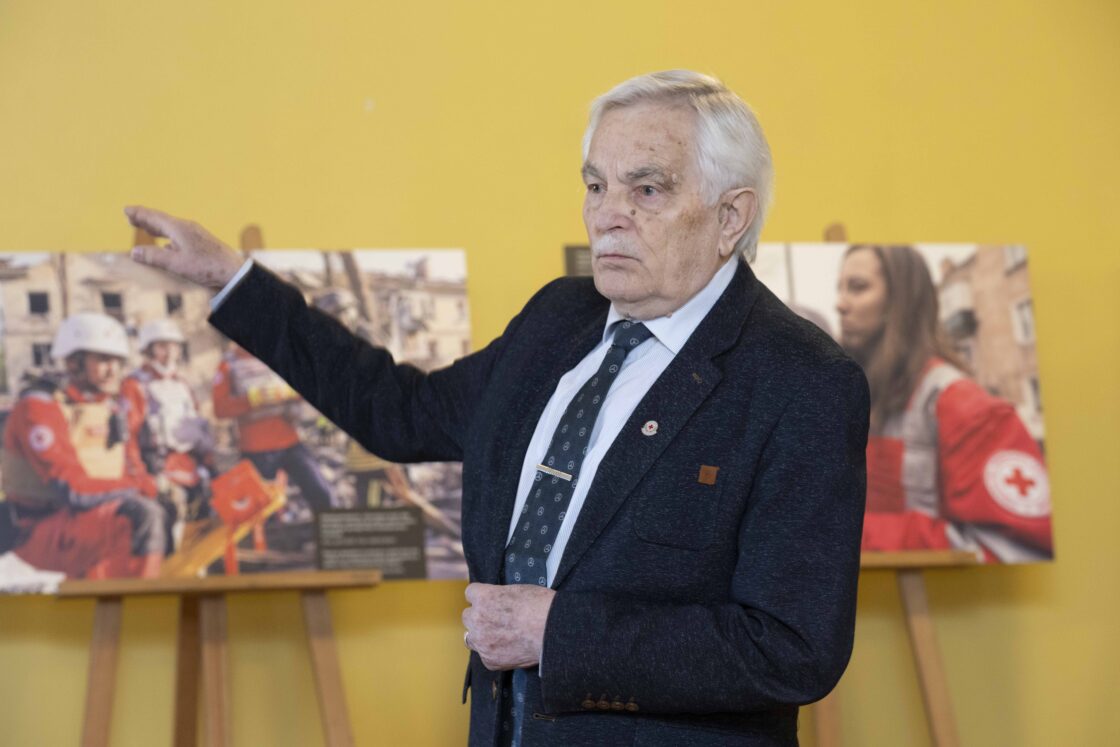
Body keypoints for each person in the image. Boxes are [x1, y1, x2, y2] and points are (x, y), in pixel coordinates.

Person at [127, 70, 870, 746]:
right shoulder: (558, 319)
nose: (608, 216)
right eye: (595, 186)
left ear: (731, 216)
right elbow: (400, 410)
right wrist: (234, 283)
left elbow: (792, 648)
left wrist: (558, 633)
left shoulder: (802, 381)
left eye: (646, 190)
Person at [835, 244, 1053, 562]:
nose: (840, 303)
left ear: (900, 301)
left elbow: (1014, 551)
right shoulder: (861, 398)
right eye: (840, 288)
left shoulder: (966, 408)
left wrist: (845, 535)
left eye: (857, 287)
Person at [1, 313, 166, 579]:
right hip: (34, 530)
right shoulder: (39, 407)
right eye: (103, 360)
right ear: (73, 362)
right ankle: (139, 600)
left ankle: (119, 590)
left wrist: (160, 487)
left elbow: (131, 467)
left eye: (118, 361)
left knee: (163, 510)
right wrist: (141, 487)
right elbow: (73, 490)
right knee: (139, 515)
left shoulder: (106, 408)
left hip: (81, 522)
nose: (113, 370)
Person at [211, 342, 336, 515]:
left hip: (291, 442)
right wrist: (251, 399)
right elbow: (220, 409)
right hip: (257, 451)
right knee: (263, 511)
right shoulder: (228, 365)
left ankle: (330, 532)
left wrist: (289, 392)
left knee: (322, 494)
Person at [121, 319, 214, 535]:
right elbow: (129, 435)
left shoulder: (183, 384)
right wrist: (140, 476)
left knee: (204, 527)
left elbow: (196, 426)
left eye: (174, 346)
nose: (170, 352)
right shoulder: (134, 385)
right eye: (162, 346)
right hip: (158, 469)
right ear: (148, 349)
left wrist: (209, 463)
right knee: (171, 529)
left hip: (192, 467)